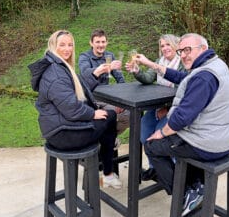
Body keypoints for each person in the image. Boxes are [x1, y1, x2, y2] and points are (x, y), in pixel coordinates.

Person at [134, 33, 229, 216]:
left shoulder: (203, 77)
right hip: (222, 137)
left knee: (151, 145)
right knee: (168, 142)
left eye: (188, 50)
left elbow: (182, 118)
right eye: (181, 51)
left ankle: (184, 195)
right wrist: (153, 66)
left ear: (203, 49)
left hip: (207, 143)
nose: (183, 55)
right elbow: (180, 77)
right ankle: (196, 184)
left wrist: (162, 133)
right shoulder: (214, 65)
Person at [28, 30, 122, 189]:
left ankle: (105, 155)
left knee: (108, 121)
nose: (67, 49)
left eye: (70, 44)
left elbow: (81, 88)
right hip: (62, 133)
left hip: (60, 127)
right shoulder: (56, 73)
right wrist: (93, 113)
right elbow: (72, 109)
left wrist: (95, 76)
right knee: (110, 117)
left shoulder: (58, 66)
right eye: (62, 45)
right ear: (52, 46)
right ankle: (107, 172)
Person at [125, 34, 183, 182]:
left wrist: (168, 109)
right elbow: (148, 78)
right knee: (144, 132)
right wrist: (137, 71)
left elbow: (183, 88)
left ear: (176, 45)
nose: (165, 48)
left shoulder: (182, 63)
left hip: (174, 109)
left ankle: (175, 175)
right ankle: (155, 168)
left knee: (161, 138)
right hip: (157, 107)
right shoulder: (160, 61)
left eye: (168, 44)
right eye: (162, 46)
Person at [78, 29, 129, 138]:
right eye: (97, 42)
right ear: (91, 43)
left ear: (106, 42)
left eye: (103, 42)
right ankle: (106, 140)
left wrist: (121, 100)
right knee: (107, 117)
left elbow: (120, 78)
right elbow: (85, 74)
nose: (101, 45)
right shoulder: (84, 56)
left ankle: (108, 137)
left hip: (106, 98)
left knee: (130, 114)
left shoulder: (109, 56)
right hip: (90, 98)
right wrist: (104, 68)